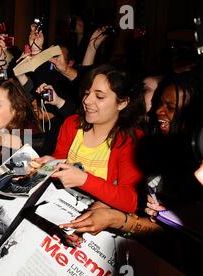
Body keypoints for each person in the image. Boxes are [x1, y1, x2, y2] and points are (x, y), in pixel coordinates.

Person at [36, 64, 145, 214]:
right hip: (60, 207)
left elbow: (131, 201)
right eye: (87, 93)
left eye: (99, 96)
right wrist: (51, 164)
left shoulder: (130, 141)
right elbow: (60, 161)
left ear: (122, 103)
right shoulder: (72, 124)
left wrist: (84, 180)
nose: (87, 101)